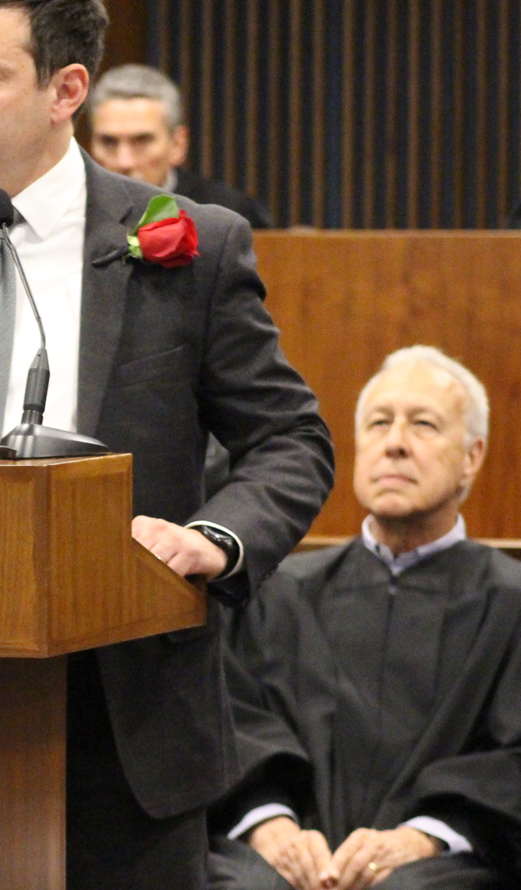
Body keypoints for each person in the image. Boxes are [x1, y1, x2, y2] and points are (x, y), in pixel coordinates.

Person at [0, 0, 334, 889]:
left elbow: (290, 440)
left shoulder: (187, 244)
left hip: (120, 715)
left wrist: (215, 538)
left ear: (67, 89)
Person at [210, 347, 520, 890]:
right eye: (379, 423)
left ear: (472, 456)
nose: (394, 442)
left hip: (448, 860)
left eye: (423, 424)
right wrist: (270, 825)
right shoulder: (279, 591)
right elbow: (229, 721)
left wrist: (425, 838)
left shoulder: (512, 603)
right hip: (286, 858)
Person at [89, 63, 276, 229]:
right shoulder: (69, 210)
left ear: (177, 145)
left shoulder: (226, 216)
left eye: (142, 141)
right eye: (108, 142)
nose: (124, 162)